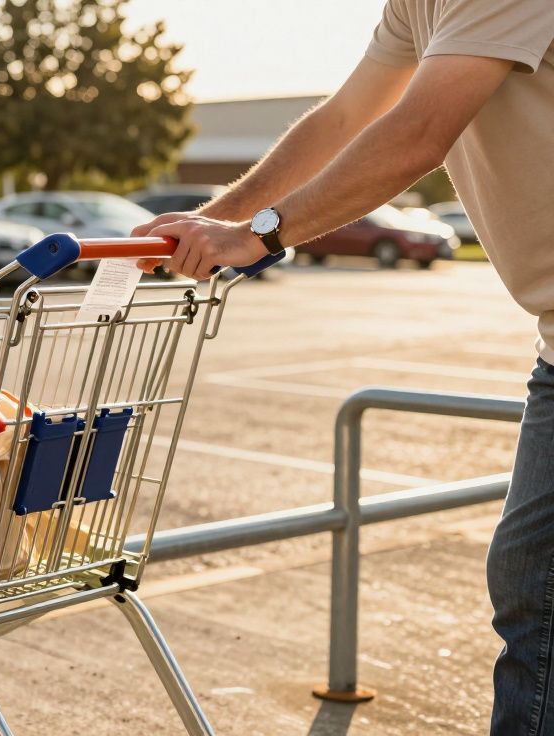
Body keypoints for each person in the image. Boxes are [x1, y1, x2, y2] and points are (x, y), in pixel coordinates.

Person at [130, 1, 554, 731]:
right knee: (531, 585)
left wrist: (260, 235)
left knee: (534, 589)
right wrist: (216, 221)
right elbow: (344, 119)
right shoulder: (416, 8)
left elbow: (418, 131)